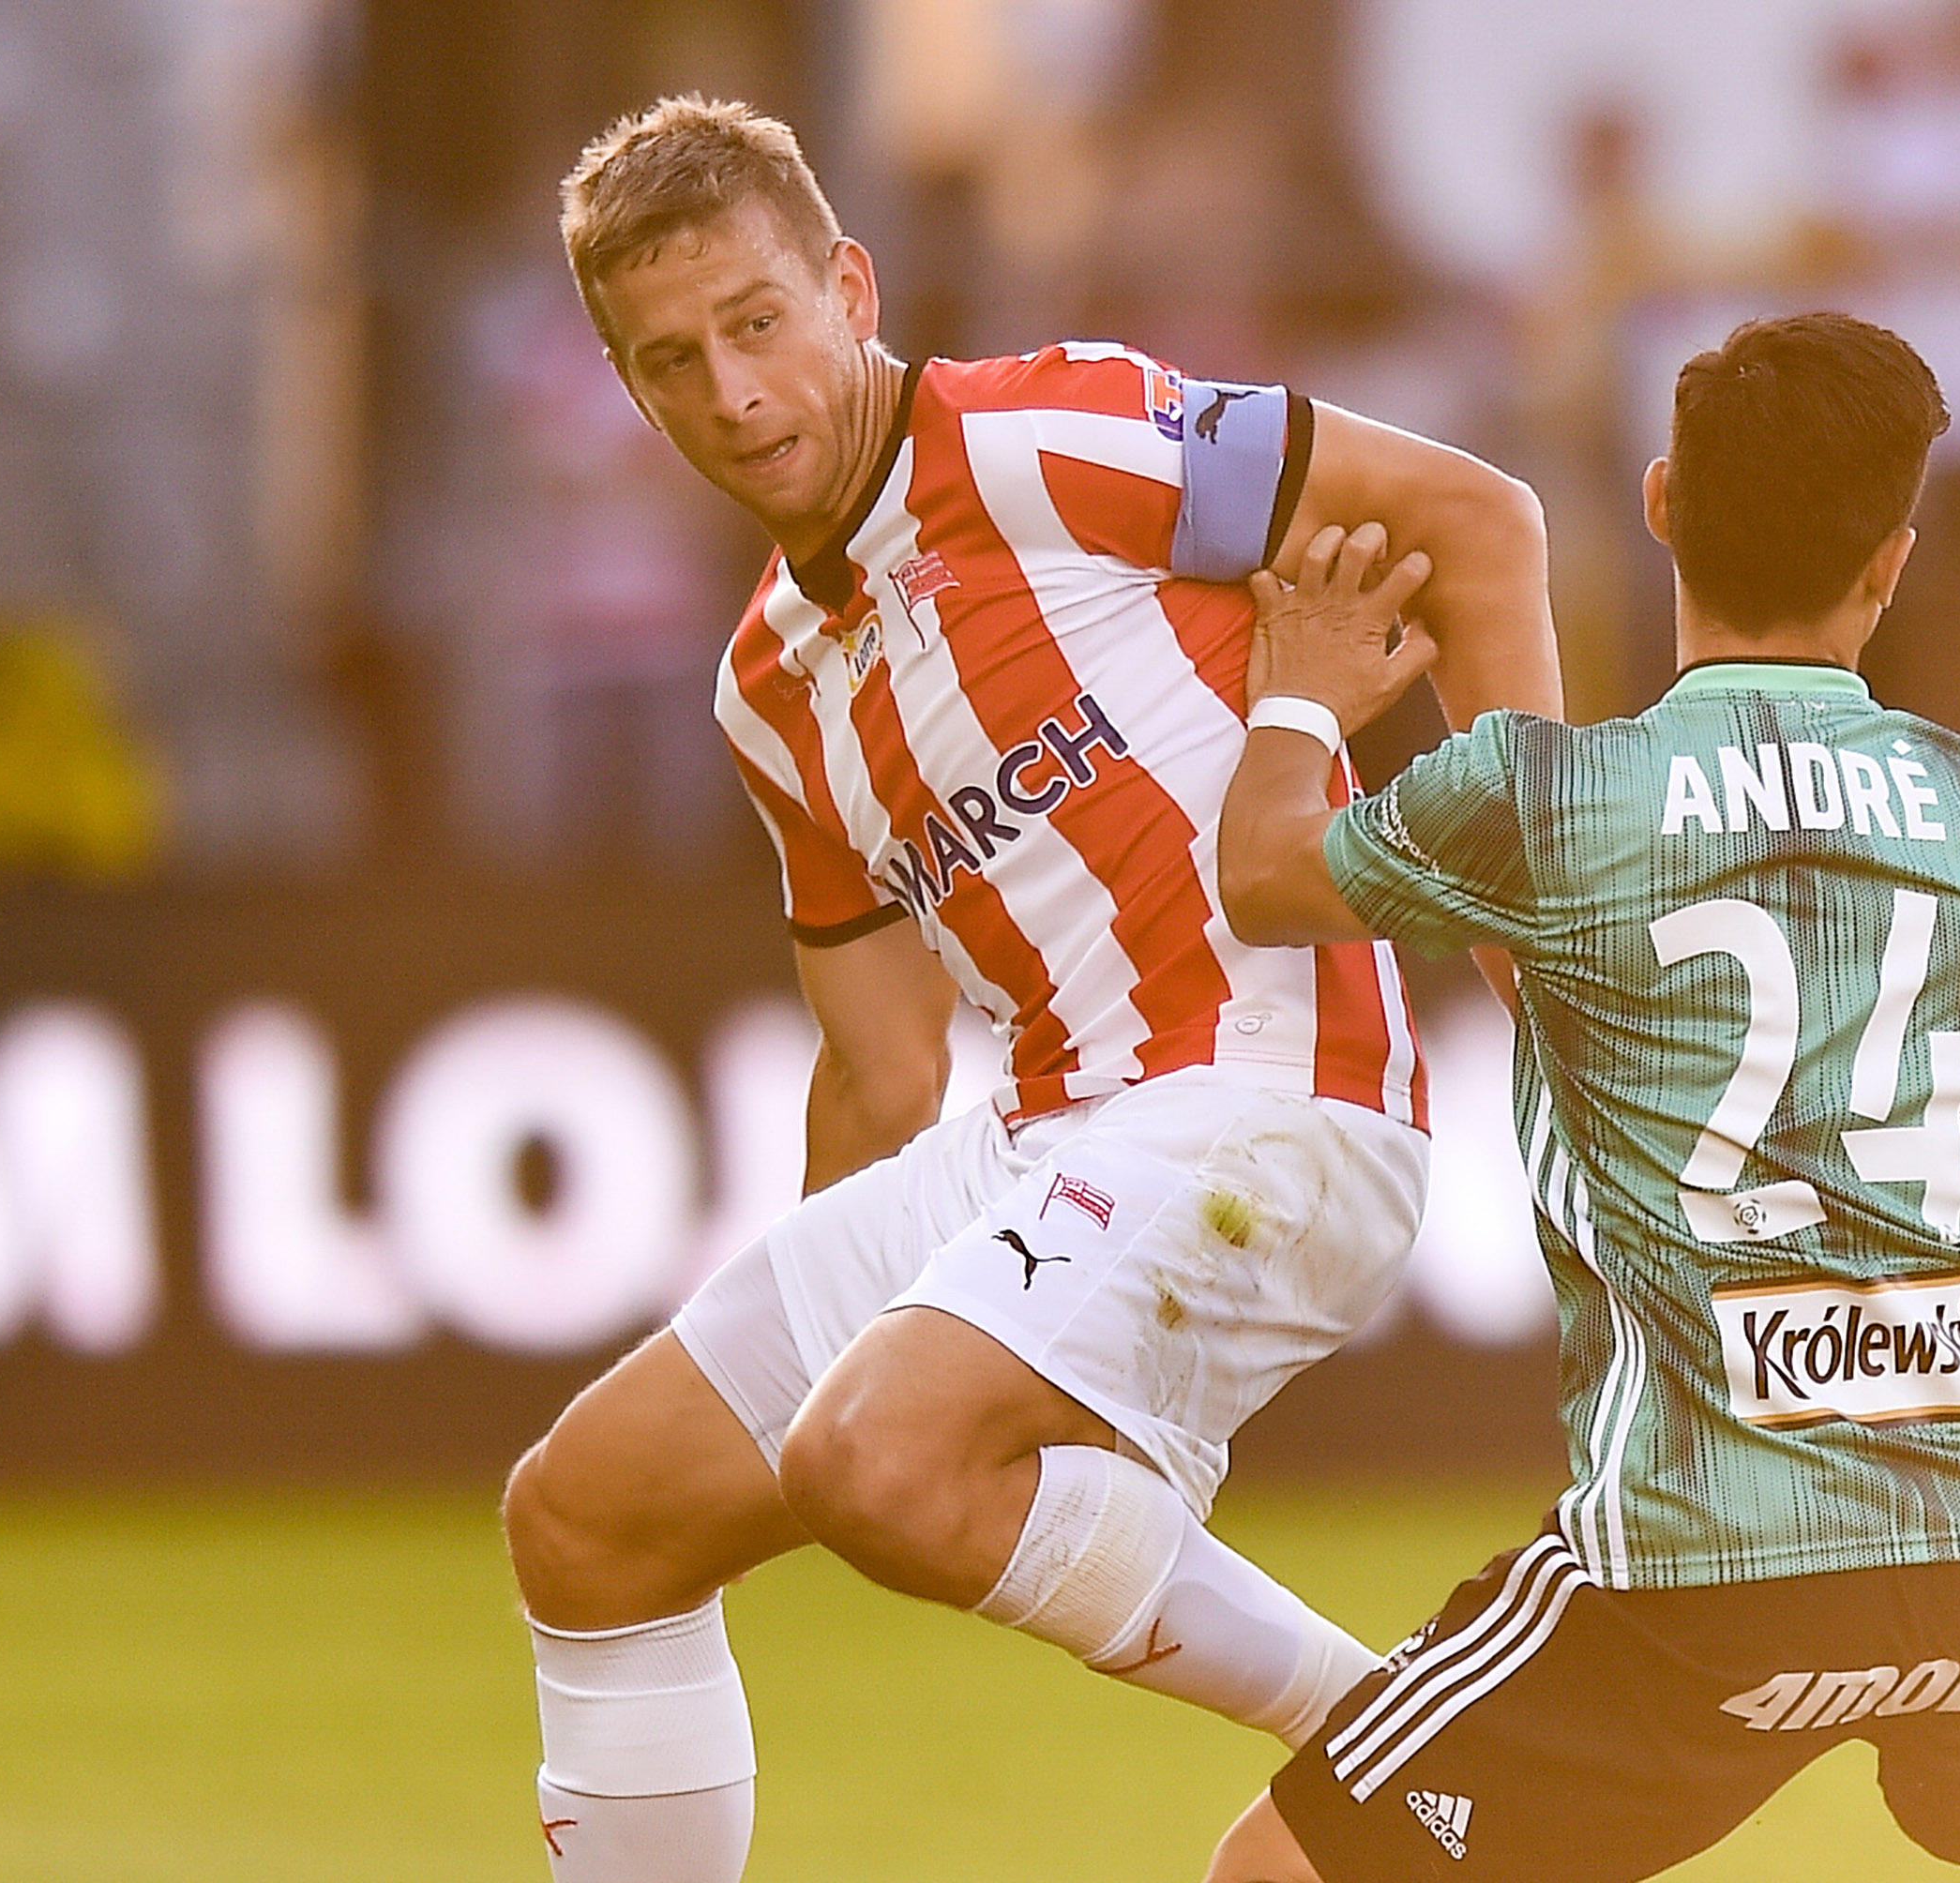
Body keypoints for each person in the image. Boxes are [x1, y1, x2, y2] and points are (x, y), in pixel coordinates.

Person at [498, 95, 1562, 1881]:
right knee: (591, 1518)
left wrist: (1558, 959)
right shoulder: (768, 688)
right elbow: (881, 1068)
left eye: (760, 323)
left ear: (848, 285)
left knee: (882, 1458)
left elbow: (1481, 520)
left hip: (1277, 1098)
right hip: (1040, 1132)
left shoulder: (1047, 434)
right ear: (626, 385)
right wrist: (874, 1336)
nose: (737, 395)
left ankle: (1416, 1735)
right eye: (673, 361)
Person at [1204, 312, 1960, 1882]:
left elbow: (1268, 876)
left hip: (1705, 1580)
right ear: (1893, 561)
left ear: (1659, 503)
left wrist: (1297, 697)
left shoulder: (1548, 797)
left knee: (1274, 1875)